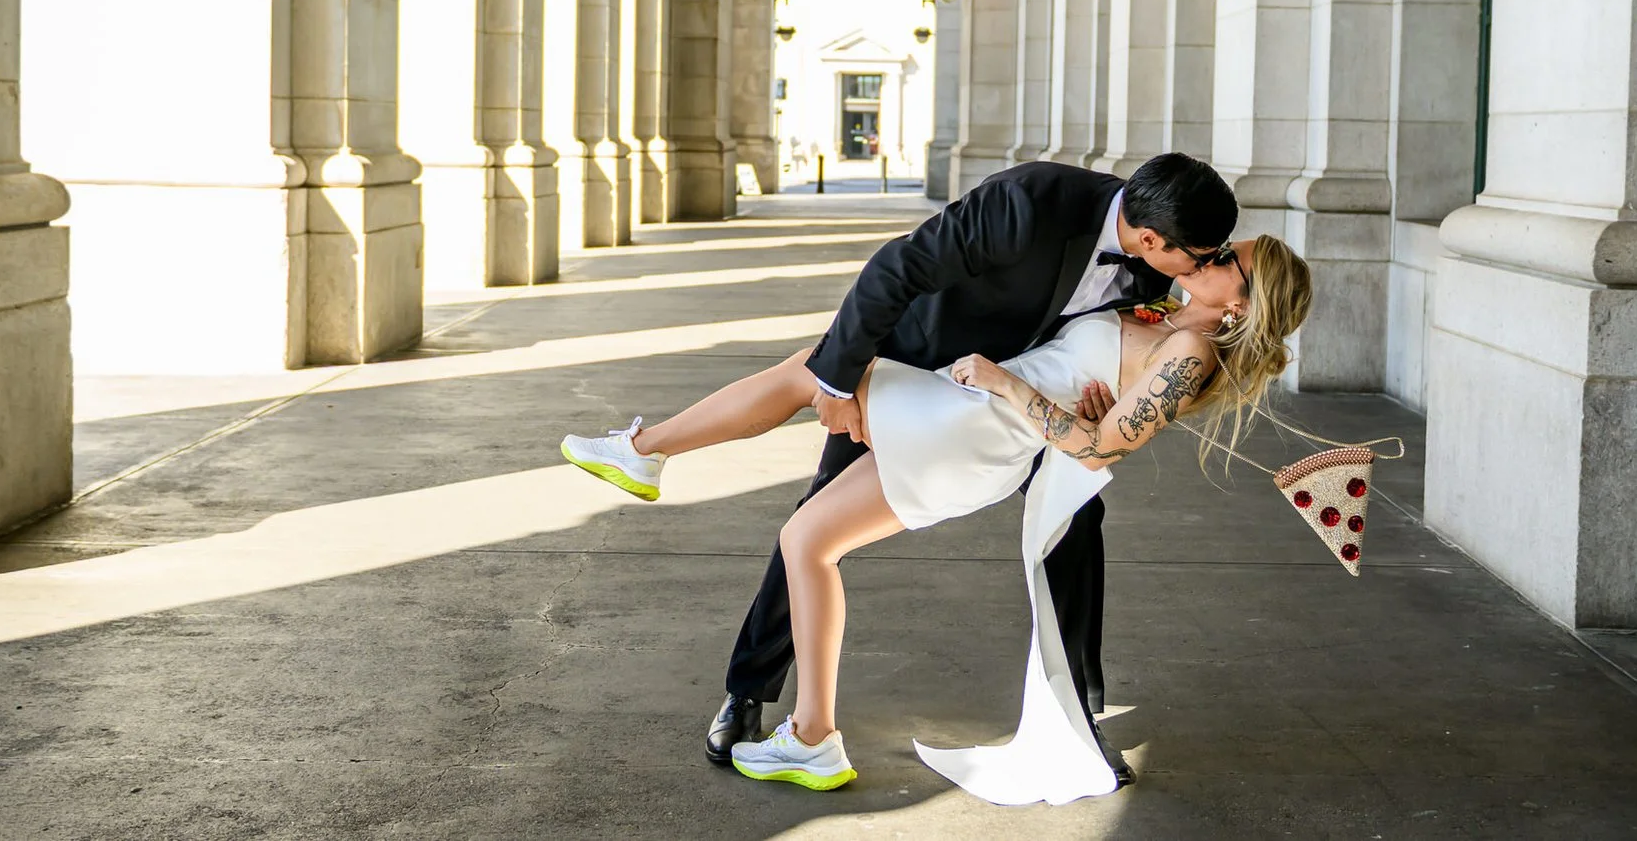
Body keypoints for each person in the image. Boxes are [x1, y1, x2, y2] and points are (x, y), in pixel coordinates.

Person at [561, 231, 1312, 803]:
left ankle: (645, 451)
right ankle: (813, 735)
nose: (1211, 253)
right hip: (970, 415)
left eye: (1228, 260)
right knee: (808, 537)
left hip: (979, 421)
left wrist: (1004, 383)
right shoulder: (1167, 317)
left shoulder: (1190, 352)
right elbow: (1094, 397)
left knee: (817, 370)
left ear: (1241, 304)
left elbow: (1097, 447)